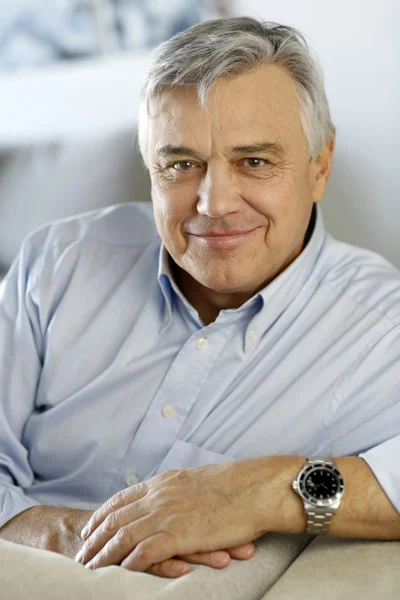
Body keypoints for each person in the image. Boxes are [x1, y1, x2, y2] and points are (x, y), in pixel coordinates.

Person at [0, 16, 399, 580]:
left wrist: (263, 490)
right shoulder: (57, 261)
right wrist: (65, 533)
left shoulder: (384, 329)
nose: (214, 203)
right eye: (182, 164)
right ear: (151, 169)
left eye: (253, 161)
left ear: (320, 166)